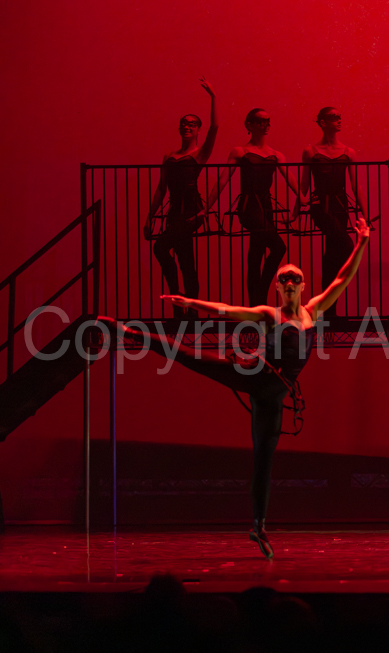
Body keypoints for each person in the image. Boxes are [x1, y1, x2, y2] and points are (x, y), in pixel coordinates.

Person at [107, 218, 370, 559]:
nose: (290, 282)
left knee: (264, 461)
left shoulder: (313, 311)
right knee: (191, 357)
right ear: (277, 287)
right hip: (256, 376)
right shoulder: (269, 314)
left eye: (295, 278)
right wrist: (191, 303)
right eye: (284, 278)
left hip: (274, 395)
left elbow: (342, 278)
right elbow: (228, 310)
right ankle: (128, 332)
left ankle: (258, 526)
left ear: (303, 285)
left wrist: (361, 242)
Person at [143, 77, 218, 318]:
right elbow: (161, 188)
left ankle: (179, 301)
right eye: (184, 123)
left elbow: (215, 128)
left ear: (198, 130)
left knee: (161, 247)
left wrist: (213, 97)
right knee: (185, 259)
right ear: (179, 129)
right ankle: (188, 307)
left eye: (192, 124)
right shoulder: (169, 156)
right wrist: (150, 217)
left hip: (191, 210)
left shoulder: (199, 154)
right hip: (174, 211)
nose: (187, 126)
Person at [209, 109, 299, 306]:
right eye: (260, 121)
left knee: (255, 255)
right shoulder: (240, 152)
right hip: (249, 206)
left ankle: (256, 304)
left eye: (267, 121)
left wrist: (301, 197)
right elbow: (223, 180)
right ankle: (259, 297)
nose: (265, 125)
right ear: (249, 125)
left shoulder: (275, 154)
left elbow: (289, 177)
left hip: (266, 207)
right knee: (278, 247)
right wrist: (207, 206)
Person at [295, 107, 368, 317]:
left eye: (339, 117)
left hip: (340, 207)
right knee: (346, 246)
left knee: (331, 258)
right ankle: (327, 309)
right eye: (334, 117)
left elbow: (356, 185)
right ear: (322, 122)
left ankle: (328, 311)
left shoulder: (348, 152)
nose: (339, 120)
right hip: (320, 206)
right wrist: (295, 210)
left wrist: (365, 214)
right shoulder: (310, 151)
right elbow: (304, 183)